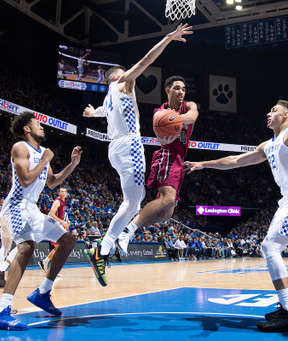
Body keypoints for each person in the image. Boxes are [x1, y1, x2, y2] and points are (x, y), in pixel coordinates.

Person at [184, 100, 288, 332]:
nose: (268, 113)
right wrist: (202, 164)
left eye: (274, 110)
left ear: (286, 115)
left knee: (270, 248)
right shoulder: (268, 145)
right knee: (269, 248)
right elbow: (236, 161)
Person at [82, 23, 193, 287]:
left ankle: (107, 247)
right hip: (129, 145)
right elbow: (147, 59)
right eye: (124, 72)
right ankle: (105, 246)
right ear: (117, 76)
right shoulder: (122, 83)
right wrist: (168, 37)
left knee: (133, 200)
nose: (129, 73)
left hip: (113, 149)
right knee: (134, 202)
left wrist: (91, 113)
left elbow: (101, 112)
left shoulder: (109, 97)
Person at [0, 112, 82, 331]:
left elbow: (51, 182)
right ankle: (0, 310)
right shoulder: (20, 147)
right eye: (38, 124)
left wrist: (72, 164)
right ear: (27, 129)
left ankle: (42, 293)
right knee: (26, 248)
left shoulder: (41, 153)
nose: (42, 127)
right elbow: (26, 180)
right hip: (17, 206)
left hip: (33, 209)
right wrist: (45, 160)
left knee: (68, 240)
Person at [115, 75, 199, 256]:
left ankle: (126, 228)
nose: (181, 92)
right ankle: (126, 232)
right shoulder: (160, 112)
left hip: (179, 159)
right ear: (167, 90)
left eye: (183, 89)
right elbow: (161, 136)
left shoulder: (189, 106)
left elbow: (192, 117)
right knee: (167, 198)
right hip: (167, 155)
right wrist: (168, 119)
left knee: (166, 214)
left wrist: (174, 118)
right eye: (177, 88)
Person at [38, 186, 70, 276]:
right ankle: (47, 264)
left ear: (67, 193)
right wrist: (62, 222)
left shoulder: (63, 202)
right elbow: (51, 214)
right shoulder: (57, 201)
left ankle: (46, 263)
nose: (63, 193)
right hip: (51, 226)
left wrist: (64, 223)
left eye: (65, 191)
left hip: (56, 226)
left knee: (58, 248)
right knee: (58, 247)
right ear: (58, 193)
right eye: (61, 191)